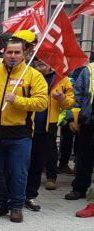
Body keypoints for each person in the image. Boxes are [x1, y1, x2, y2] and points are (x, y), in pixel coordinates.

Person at [0, 36, 48, 223]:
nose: (12, 56)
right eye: (9, 52)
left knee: (18, 172)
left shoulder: (33, 76)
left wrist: (17, 100)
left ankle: (16, 206)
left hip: (20, 135)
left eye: (17, 52)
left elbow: (42, 102)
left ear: (24, 54)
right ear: (3, 53)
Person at [24, 58, 74, 211]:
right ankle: (15, 195)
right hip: (25, 127)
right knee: (20, 165)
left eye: (43, 61)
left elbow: (71, 102)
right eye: (37, 61)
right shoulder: (28, 75)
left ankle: (30, 196)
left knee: (37, 165)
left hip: (47, 129)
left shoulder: (61, 79)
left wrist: (63, 98)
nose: (40, 64)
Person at [67, 57, 94, 206]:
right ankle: (79, 188)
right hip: (88, 121)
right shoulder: (88, 70)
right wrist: (72, 118)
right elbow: (76, 95)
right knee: (84, 157)